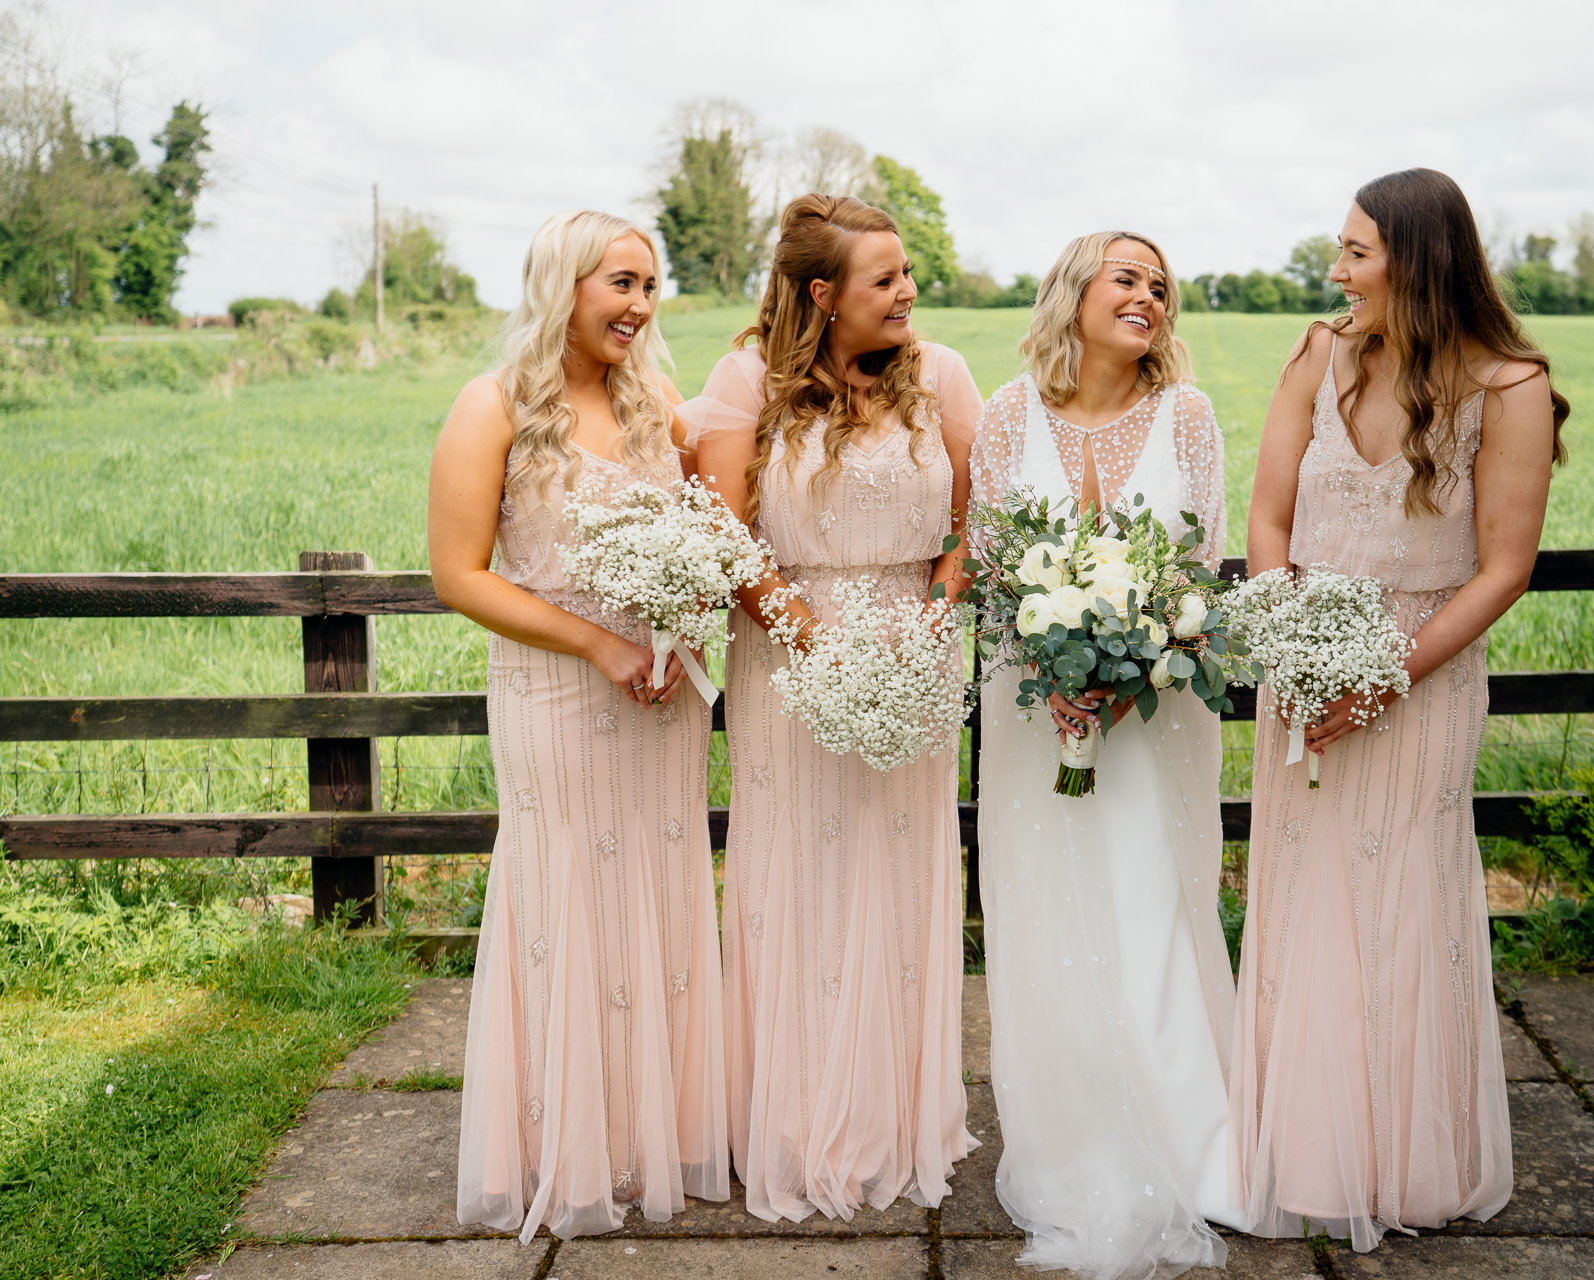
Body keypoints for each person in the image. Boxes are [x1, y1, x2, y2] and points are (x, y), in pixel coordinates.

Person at [1232, 168, 1567, 1252]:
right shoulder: (1315, 354)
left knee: (1403, 897)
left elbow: (1503, 567)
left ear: (1418, 261)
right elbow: (1268, 515)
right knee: (1305, 896)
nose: (1335, 272)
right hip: (1304, 675)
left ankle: (1401, 1153)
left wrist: (1382, 673)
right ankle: (1302, 1140)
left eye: (1357, 252)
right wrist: (1295, 641)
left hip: (1421, 679)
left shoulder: (1509, 386)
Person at [681, 194, 982, 1223]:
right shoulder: (745, 380)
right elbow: (727, 538)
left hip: (914, 653)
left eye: (907, 275)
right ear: (823, 294)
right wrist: (814, 638)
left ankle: (896, 1116)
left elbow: (977, 523)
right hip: (791, 661)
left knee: (899, 874)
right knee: (800, 874)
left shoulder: (939, 375)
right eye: (887, 277)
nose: (909, 292)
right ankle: (799, 1119)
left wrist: (931, 619)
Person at [431, 210, 727, 1241]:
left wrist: (678, 627)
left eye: (651, 285)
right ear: (564, 284)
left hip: (663, 695)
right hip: (555, 692)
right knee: (566, 889)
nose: (641, 307)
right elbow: (458, 574)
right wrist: (598, 644)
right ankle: (559, 1143)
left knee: (655, 890)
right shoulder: (493, 405)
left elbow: (708, 535)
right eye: (621, 283)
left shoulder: (662, 405)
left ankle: (650, 1138)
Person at [970, 230, 1246, 1279]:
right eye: (1126, 277)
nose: (1148, 295)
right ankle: (1072, 1143)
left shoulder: (1189, 417)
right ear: (1074, 292)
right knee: (1045, 910)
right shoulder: (1006, 413)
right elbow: (995, 565)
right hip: (1032, 710)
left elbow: (1203, 567)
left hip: (1157, 714)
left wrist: (1135, 672)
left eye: (1161, 286)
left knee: (1149, 905)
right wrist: (1058, 669)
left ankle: (1191, 1144)